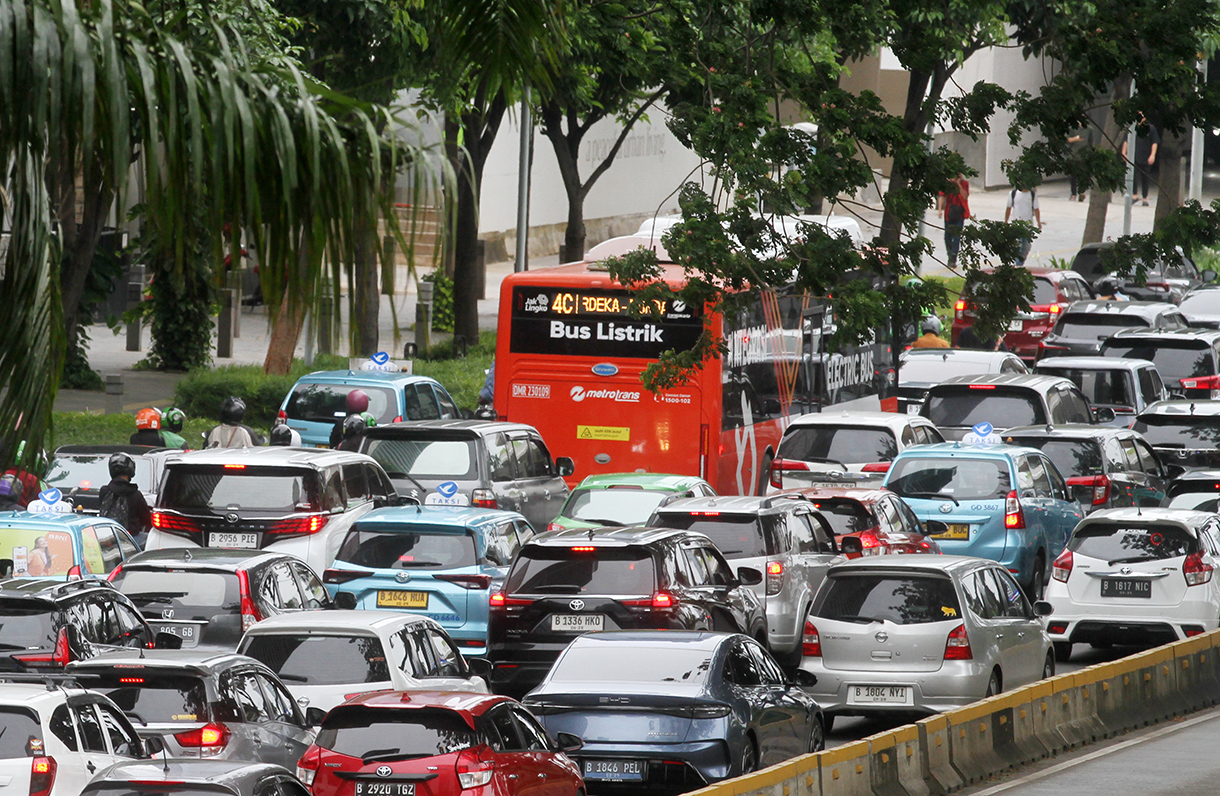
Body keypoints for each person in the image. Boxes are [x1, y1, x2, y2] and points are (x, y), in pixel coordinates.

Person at [98, 453, 151, 546]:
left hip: (106, 538)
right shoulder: (135, 494)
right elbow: (146, 520)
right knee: (150, 538)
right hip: (129, 539)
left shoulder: (104, 491)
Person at [1121, 112, 1159, 206]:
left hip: (1145, 155)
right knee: (1132, 175)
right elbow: (1126, 140)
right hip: (1133, 155)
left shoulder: (1151, 128)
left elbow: (1155, 142)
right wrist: (1123, 152)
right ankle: (1134, 195)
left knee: (1145, 177)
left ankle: (1144, 197)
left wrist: (1152, 155)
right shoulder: (1132, 128)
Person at [937, 175, 970, 267]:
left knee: (956, 237)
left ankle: (953, 259)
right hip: (949, 213)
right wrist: (940, 210)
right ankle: (949, 254)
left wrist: (959, 184)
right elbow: (942, 196)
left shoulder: (964, 183)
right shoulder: (948, 184)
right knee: (947, 236)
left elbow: (964, 196)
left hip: (960, 214)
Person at [1004, 186, 1042, 265]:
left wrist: (1039, 222)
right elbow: (1008, 208)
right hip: (1016, 226)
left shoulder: (1032, 194)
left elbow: (1036, 209)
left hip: (1028, 227)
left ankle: (1019, 263)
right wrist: (1006, 221)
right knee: (1019, 247)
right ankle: (1018, 265)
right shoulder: (1013, 193)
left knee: (1026, 248)